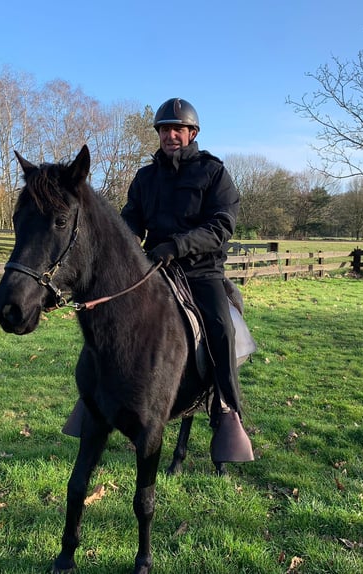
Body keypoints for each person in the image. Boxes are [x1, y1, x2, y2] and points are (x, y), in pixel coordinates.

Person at [120, 97, 254, 463]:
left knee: (220, 329)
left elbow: (221, 226)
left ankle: (227, 409)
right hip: (153, 267)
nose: (170, 135)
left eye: (177, 129)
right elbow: (130, 217)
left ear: (192, 133)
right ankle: (95, 403)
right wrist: (125, 240)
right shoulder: (145, 177)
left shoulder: (213, 173)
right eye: (164, 129)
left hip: (200, 270)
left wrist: (177, 246)